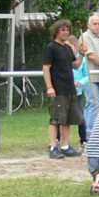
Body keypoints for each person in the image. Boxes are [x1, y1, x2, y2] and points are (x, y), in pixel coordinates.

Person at [40, 21, 82, 159]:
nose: (66, 32)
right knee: (56, 119)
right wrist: (49, 87)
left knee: (67, 119)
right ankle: (53, 147)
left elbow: (75, 65)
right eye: (63, 30)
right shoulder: (51, 47)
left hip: (70, 88)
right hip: (57, 89)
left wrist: (82, 53)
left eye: (68, 30)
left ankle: (65, 146)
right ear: (56, 31)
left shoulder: (68, 48)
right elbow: (46, 68)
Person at [78, 15, 99, 132]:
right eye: (94, 24)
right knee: (94, 103)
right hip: (89, 76)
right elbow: (91, 56)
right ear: (88, 25)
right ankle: (90, 132)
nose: (97, 26)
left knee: (95, 104)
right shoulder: (85, 37)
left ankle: (94, 130)